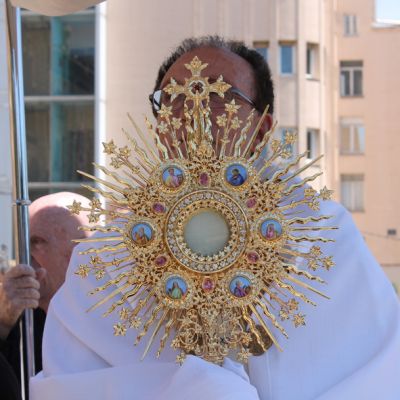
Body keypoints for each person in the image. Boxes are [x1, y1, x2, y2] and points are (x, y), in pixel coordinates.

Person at [30, 37, 400, 400]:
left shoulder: (321, 233)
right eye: (173, 98)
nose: (193, 111)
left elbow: (376, 370)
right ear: (158, 128)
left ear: (262, 130)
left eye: (220, 95)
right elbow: (70, 381)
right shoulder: (104, 260)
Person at [0, 192, 91, 396]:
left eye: (37, 242)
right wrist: (3, 325)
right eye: (23, 242)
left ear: (82, 252)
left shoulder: (114, 322)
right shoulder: (17, 318)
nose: (24, 254)